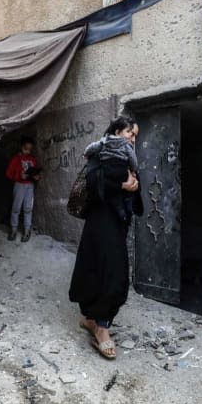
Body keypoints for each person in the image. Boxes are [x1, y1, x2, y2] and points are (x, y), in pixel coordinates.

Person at [69, 117, 142, 360]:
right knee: (108, 272)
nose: (132, 139)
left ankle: (92, 320)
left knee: (105, 270)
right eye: (129, 133)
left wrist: (133, 186)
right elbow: (92, 182)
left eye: (134, 136)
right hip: (100, 222)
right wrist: (122, 185)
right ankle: (101, 329)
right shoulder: (100, 152)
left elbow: (135, 186)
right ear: (116, 131)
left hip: (117, 223)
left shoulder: (129, 158)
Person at [5, 136, 42, 242]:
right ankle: (13, 229)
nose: (28, 151)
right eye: (26, 148)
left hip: (30, 186)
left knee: (28, 208)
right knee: (16, 208)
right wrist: (19, 176)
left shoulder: (32, 159)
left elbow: (34, 172)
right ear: (21, 147)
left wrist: (36, 177)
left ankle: (26, 230)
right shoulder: (16, 159)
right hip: (19, 185)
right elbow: (8, 174)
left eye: (30, 149)